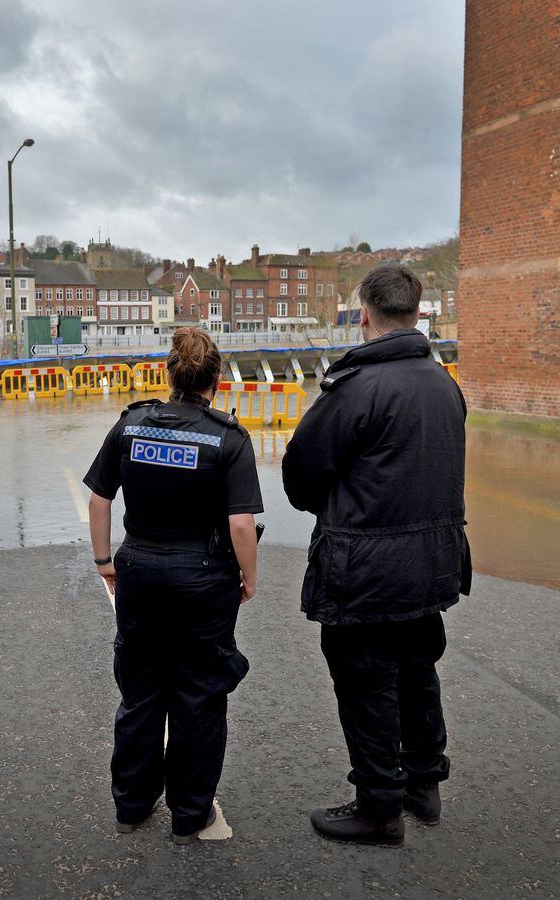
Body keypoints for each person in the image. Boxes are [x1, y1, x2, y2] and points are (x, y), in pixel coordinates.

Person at [281, 262, 471, 848]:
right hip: (433, 562)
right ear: (417, 313)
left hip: (366, 568)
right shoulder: (445, 384)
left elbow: (300, 477)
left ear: (364, 313)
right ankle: (423, 785)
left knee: (365, 680)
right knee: (418, 669)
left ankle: (377, 809)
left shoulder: (357, 387)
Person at [84, 327, 263, 844]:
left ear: (168, 374)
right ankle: (190, 815)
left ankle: (132, 807)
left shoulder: (131, 427)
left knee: (140, 692)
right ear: (217, 380)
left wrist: (105, 563)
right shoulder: (228, 438)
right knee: (199, 696)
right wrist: (248, 578)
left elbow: (99, 500)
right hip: (204, 579)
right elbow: (240, 526)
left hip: (139, 569)